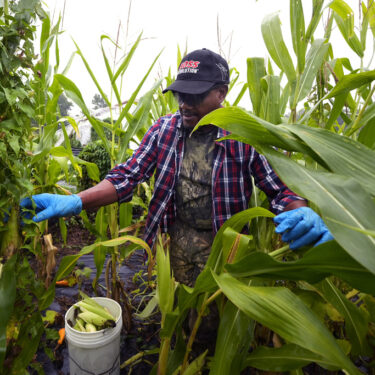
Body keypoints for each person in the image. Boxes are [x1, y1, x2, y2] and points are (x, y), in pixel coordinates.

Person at [21, 48, 333, 287]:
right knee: (177, 314)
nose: (184, 103)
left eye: (195, 95)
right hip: (173, 241)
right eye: (181, 94)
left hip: (226, 246)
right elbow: (127, 177)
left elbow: (280, 187)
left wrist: (298, 209)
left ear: (221, 93)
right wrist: (77, 201)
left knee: (217, 315)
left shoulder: (244, 134)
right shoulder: (164, 130)